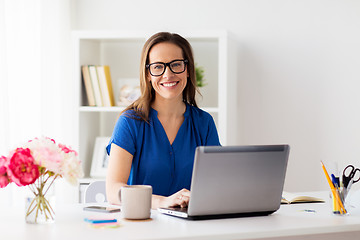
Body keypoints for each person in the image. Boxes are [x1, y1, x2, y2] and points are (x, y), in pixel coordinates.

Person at [106, 32, 220, 209]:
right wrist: (162, 201)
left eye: (176, 64)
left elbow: (216, 183)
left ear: (188, 70)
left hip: (192, 228)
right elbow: (113, 190)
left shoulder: (204, 123)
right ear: (148, 75)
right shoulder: (129, 122)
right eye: (158, 67)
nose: (168, 74)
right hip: (144, 225)